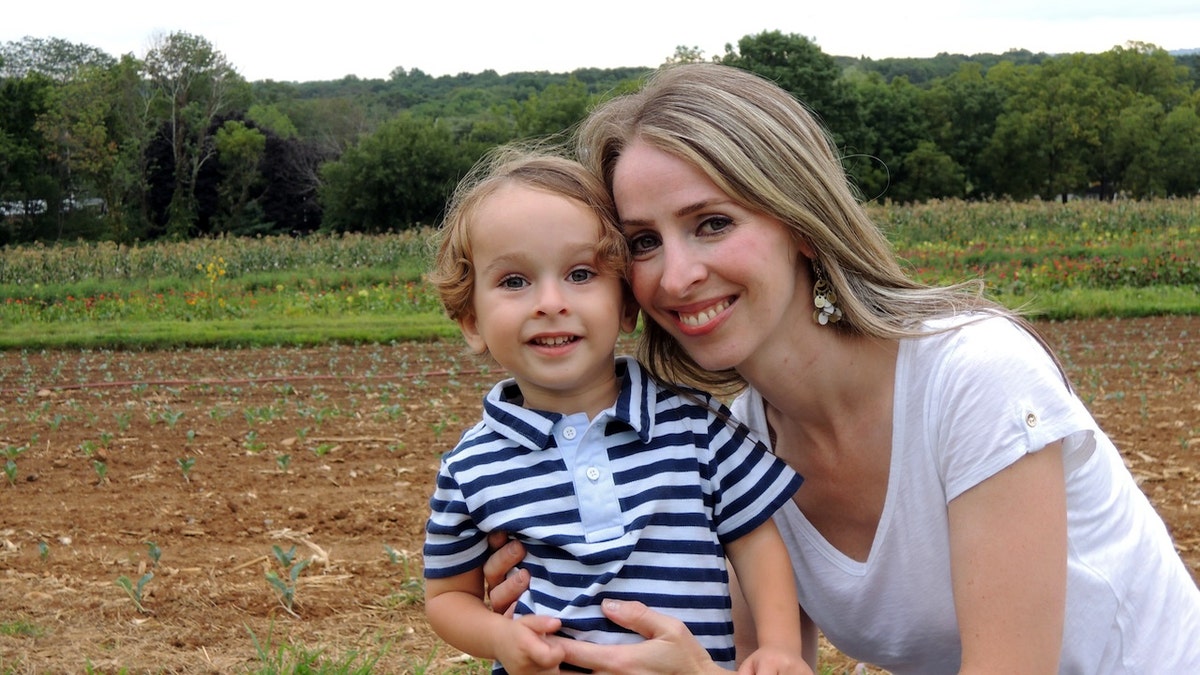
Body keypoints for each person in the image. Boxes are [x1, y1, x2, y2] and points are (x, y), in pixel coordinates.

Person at [481, 63, 1200, 674]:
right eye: (643, 241)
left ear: (797, 220)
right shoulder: (730, 448)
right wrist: (557, 596)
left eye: (712, 223)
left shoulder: (974, 377)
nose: (676, 276)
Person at [421, 145, 807, 675]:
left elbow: (757, 545)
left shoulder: (698, 428)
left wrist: (780, 647)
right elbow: (447, 598)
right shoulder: (470, 467)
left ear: (627, 304)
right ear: (470, 319)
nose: (550, 301)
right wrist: (499, 636)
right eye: (514, 281)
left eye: (580, 274)